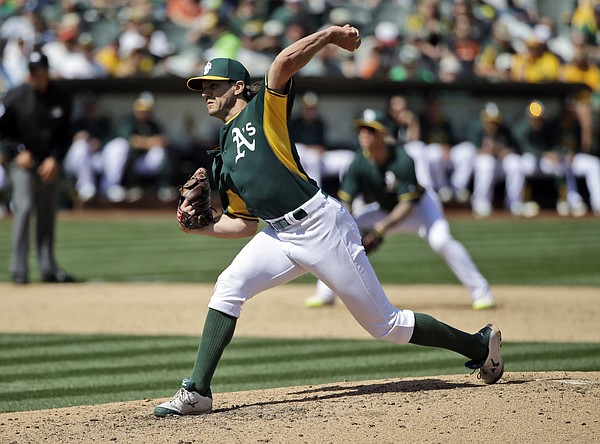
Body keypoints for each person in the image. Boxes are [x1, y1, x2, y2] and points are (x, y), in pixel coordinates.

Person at [153, 24, 503, 418]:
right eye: (201, 87)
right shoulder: (222, 159)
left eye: (213, 85)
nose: (205, 93)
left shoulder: (262, 109)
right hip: (278, 235)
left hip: (321, 226)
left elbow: (283, 62)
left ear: (237, 87)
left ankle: (479, 344)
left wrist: (330, 34)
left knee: (385, 325)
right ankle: (198, 391)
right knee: (228, 287)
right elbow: (242, 225)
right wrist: (196, 226)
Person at [304, 108, 495, 311]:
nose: (365, 135)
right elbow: (346, 202)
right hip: (385, 209)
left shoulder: (401, 159)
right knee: (342, 232)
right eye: (362, 130)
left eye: (371, 130)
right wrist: (348, 224)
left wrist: (379, 229)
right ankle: (325, 293)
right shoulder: (359, 161)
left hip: (421, 209)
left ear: (384, 134)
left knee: (441, 241)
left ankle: (482, 292)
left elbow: (407, 204)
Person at [0, 51, 76, 284]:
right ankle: (19, 269)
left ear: (46, 73)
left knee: (46, 214)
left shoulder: (61, 97)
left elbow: (66, 134)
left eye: (38, 72)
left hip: (48, 163)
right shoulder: (15, 97)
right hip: (23, 162)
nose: (34, 76)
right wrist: (17, 152)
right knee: (24, 207)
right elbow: (2, 132)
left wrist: (55, 157)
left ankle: (48, 267)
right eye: (31, 71)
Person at [101, 92, 172, 203]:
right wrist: (150, 142)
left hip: (137, 162)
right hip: (109, 161)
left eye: (146, 109)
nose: (143, 112)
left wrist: (145, 142)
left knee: (159, 152)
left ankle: (159, 187)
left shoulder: (152, 124)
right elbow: (132, 141)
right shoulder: (127, 121)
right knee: (120, 146)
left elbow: (164, 140)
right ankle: (110, 187)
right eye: (141, 107)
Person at [469, 102, 531, 218]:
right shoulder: (477, 128)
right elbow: (470, 149)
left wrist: (503, 151)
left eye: (495, 121)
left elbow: (515, 148)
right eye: (490, 121)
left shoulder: (504, 130)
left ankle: (514, 203)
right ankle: (481, 203)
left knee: (515, 163)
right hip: (481, 165)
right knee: (486, 163)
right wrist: (487, 151)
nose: (492, 124)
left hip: (500, 164)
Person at [290, 91, 354, 190]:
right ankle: (316, 193)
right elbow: (293, 145)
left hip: (319, 160)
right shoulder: (295, 123)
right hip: (301, 160)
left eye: (312, 108)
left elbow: (322, 145)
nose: (310, 111)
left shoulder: (319, 123)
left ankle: (347, 193)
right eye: (307, 108)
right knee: (311, 157)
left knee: (348, 157)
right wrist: (312, 148)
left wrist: (319, 149)